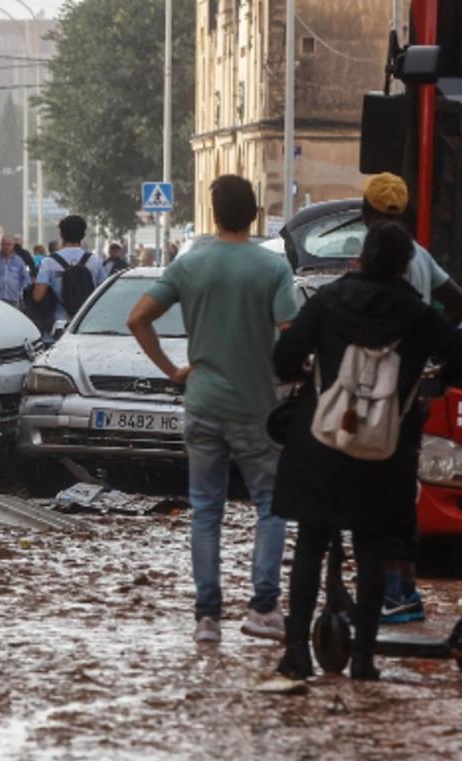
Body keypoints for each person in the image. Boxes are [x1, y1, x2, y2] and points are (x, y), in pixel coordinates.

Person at [268, 223, 462, 681]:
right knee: (371, 547)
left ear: (362, 257)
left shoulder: (328, 301)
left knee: (310, 542)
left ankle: (296, 654)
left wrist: (312, 370)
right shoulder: (416, 314)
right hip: (385, 453)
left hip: (320, 446)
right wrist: (427, 378)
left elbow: (284, 356)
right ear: (407, 265)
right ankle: (363, 660)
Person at [127, 176, 300, 644]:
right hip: (255, 406)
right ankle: (263, 607)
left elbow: (137, 318)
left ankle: (207, 618)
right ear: (256, 214)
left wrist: (172, 370)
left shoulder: (190, 264)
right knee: (270, 504)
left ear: (214, 213)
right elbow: (291, 328)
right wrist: (287, 374)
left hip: (200, 400)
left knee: (206, 509)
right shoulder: (273, 269)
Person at [358, 173, 462, 625]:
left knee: (375, 496)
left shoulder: (380, 263)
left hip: (374, 397)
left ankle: (387, 591)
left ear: (366, 213)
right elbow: (459, 302)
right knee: (403, 492)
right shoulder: (422, 256)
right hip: (412, 397)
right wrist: (435, 356)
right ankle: (402, 589)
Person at [32, 215, 106, 337]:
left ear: (61, 235)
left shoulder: (48, 262)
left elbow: (38, 296)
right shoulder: (94, 261)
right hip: (86, 323)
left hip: (59, 325)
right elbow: (103, 292)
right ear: (82, 235)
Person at [0, 234, 31, 307]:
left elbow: (26, 278)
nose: (6, 247)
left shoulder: (19, 261)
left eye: (9, 244)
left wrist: (20, 290)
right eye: (4, 244)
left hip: (13, 299)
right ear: (1, 245)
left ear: (13, 246)